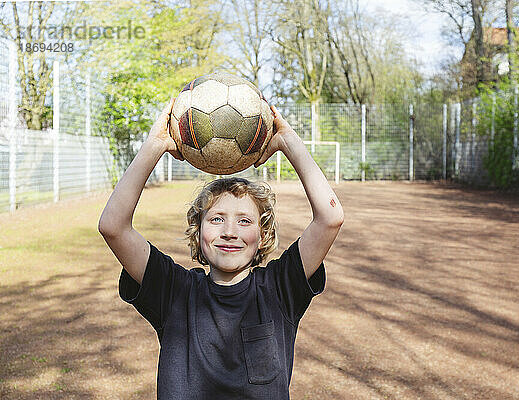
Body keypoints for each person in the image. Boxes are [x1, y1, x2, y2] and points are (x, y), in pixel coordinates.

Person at [97, 98, 344, 399]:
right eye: (216, 219)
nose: (229, 232)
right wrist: (155, 145)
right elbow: (113, 226)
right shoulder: (173, 290)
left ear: (262, 234)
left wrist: (287, 142)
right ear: (198, 231)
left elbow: (330, 218)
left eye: (244, 221)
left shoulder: (280, 288)